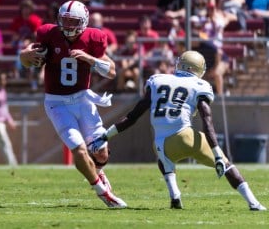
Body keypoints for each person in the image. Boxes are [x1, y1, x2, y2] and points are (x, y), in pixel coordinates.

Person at [91, 51, 267, 211]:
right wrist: (218, 154)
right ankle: (254, 203)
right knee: (227, 166)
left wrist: (106, 135)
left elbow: (132, 117)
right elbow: (207, 121)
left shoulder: (157, 81)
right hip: (185, 137)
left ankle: (175, 196)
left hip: (160, 144)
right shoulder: (199, 85)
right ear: (197, 69)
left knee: (164, 161)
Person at [19, 0, 127, 208]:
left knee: (101, 152)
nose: (68, 26)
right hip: (57, 103)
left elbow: (112, 71)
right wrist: (26, 56)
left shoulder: (93, 38)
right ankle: (102, 192)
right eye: (65, 21)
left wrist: (90, 59)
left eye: (73, 21)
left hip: (83, 100)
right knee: (79, 149)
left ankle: (98, 171)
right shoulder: (49, 34)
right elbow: (26, 57)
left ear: (84, 22)